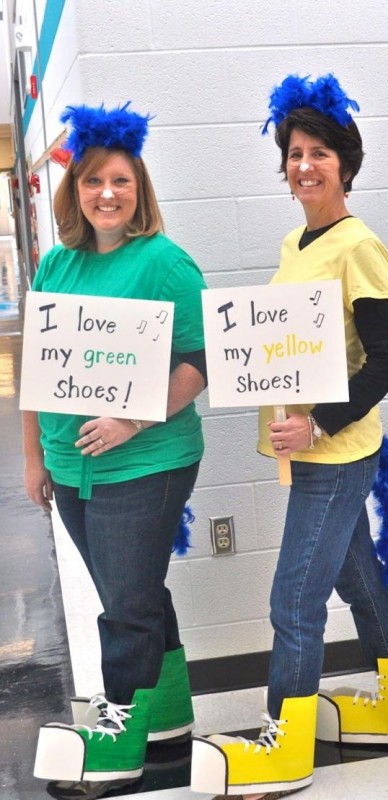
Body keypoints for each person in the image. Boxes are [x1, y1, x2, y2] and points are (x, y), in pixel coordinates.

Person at [191, 74, 388, 799]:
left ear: (345, 163)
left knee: (294, 600)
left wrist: (321, 419)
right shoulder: (296, 239)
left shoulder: (360, 244)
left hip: (336, 453)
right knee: (358, 577)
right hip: (308, 452)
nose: (304, 165)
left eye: (320, 152)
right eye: (294, 152)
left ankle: (283, 740)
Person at [26, 104, 207, 790]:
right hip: (72, 469)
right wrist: (34, 456)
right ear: (76, 190)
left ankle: (118, 738)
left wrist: (132, 419)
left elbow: (200, 361)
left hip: (147, 463)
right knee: (133, 592)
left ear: (140, 189)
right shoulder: (57, 266)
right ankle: (166, 721)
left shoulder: (164, 263)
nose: (107, 192)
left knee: (125, 606)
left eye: (121, 181)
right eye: (94, 180)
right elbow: (37, 373)